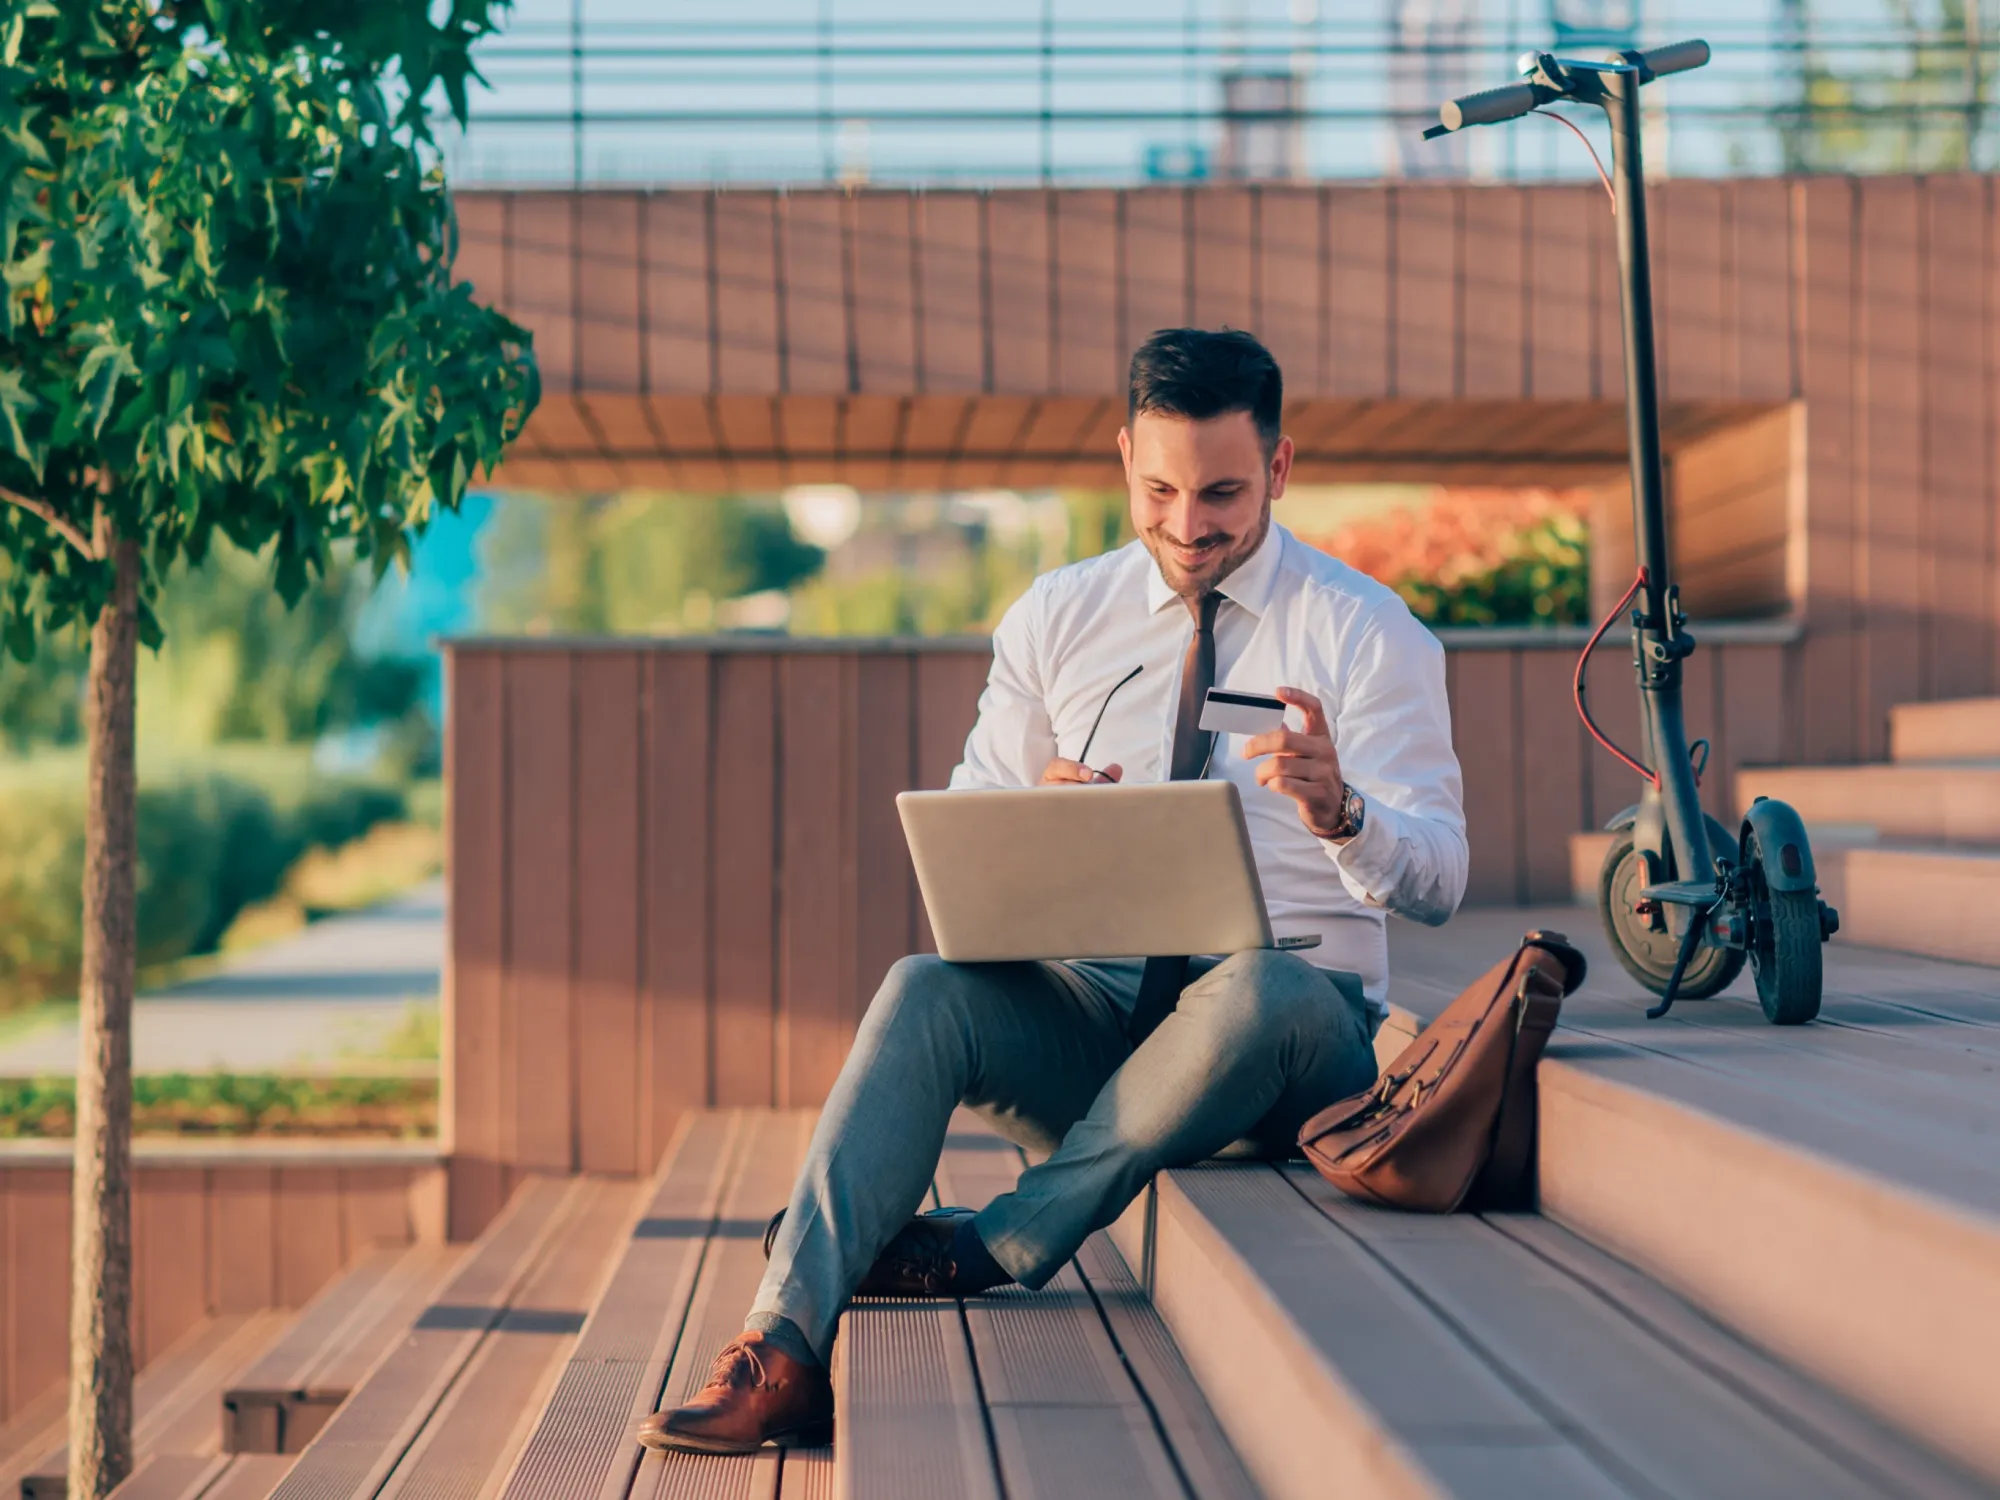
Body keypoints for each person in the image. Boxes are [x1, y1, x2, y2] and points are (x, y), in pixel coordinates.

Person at [637, 328, 1468, 1455]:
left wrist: (1344, 815)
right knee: (923, 988)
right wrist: (1031, 814)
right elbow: (966, 828)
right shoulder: (1057, 617)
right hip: (1099, 1034)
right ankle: (780, 1346)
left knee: (1260, 987)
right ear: (1124, 457)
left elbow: (1440, 878)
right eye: (1160, 488)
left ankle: (986, 1247)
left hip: (1287, 1051)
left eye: (1222, 492)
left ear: (1277, 468)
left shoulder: (1366, 634)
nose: (1187, 526)